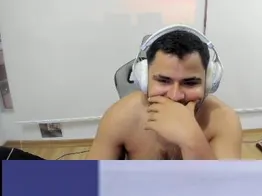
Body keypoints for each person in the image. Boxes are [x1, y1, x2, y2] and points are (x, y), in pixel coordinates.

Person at [87, 27, 242, 160]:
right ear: (144, 80)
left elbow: (222, 185)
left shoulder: (224, 120)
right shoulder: (120, 116)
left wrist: (191, 139)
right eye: (163, 81)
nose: (175, 96)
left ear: (208, 83)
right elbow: (88, 180)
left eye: (190, 83)